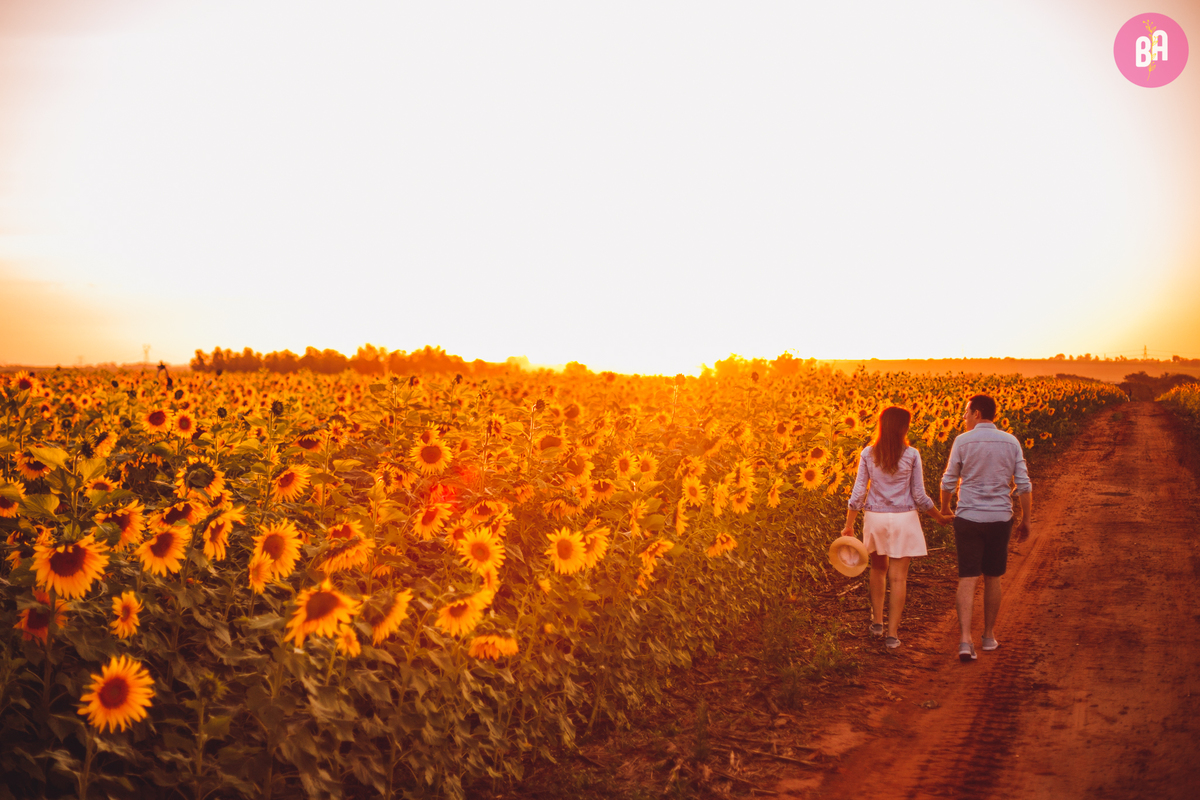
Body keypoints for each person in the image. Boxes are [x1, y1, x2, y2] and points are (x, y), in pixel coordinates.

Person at [842, 406, 952, 649]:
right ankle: (892, 635)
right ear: (903, 427)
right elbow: (919, 495)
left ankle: (877, 623)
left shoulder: (868, 454)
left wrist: (849, 525)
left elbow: (859, 492)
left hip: (875, 519)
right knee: (899, 578)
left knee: (878, 570)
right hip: (904, 519)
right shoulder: (912, 454)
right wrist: (938, 517)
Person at [939, 394, 1032, 663]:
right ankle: (989, 636)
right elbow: (1024, 484)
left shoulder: (962, 441)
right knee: (993, 576)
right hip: (1000, 518)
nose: (964, 417)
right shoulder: (1011, 441)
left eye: (966, 412)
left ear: (977, 413)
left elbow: (948, 481)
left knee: (967, 577)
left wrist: (946, 509)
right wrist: (1026, 519)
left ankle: (965, 641)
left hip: (968, 517)